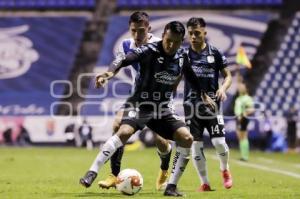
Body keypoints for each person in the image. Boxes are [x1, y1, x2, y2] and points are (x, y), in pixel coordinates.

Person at [80, 21, 211, 196]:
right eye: (168, 40)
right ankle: (92, 172)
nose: (171, 45)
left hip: (163, 109)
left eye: (176, 42)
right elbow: (125, 59)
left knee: (187, 138)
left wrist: (203, 93)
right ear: (163, 35)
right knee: (123, 130)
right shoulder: (150, 49)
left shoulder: (182, 56)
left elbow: (191, 76)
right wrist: (109, 73)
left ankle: (171, 186)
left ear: (182, 41)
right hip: (141, 104)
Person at [80, 12, 172, 191]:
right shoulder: (126, 44)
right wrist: (107, 75)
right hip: (137, 96)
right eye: (133, 31)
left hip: (159, 99)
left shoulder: (160, 45)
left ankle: (164, 170)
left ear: (149, 29)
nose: (137, 35)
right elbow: (120, 62)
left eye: (141, 31)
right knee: (117, 126)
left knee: (160, 140)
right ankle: (114, 175)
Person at [183, 17, 233, 191]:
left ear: (205, 32)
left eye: (197, 33)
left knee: (219, 142)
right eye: (190, 34)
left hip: (212, 106)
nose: (193, 37)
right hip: (191, 106)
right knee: (195, 146)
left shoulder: (215, 53)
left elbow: (228, 76)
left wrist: (223, 88)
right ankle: (205, 182)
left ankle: (225, 169)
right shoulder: (184, 56)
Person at [234, 82, 254, 161]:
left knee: (243, 136)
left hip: (243, 118)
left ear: (246, 89)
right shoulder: (239, 98)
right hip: (238, 118)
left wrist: (243, 114)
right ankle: (243, 155)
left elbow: (251, 109)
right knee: (240, 136)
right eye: (240, 87)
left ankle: (245, 156)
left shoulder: (247, 98)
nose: (240, 88)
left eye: (242, 87)